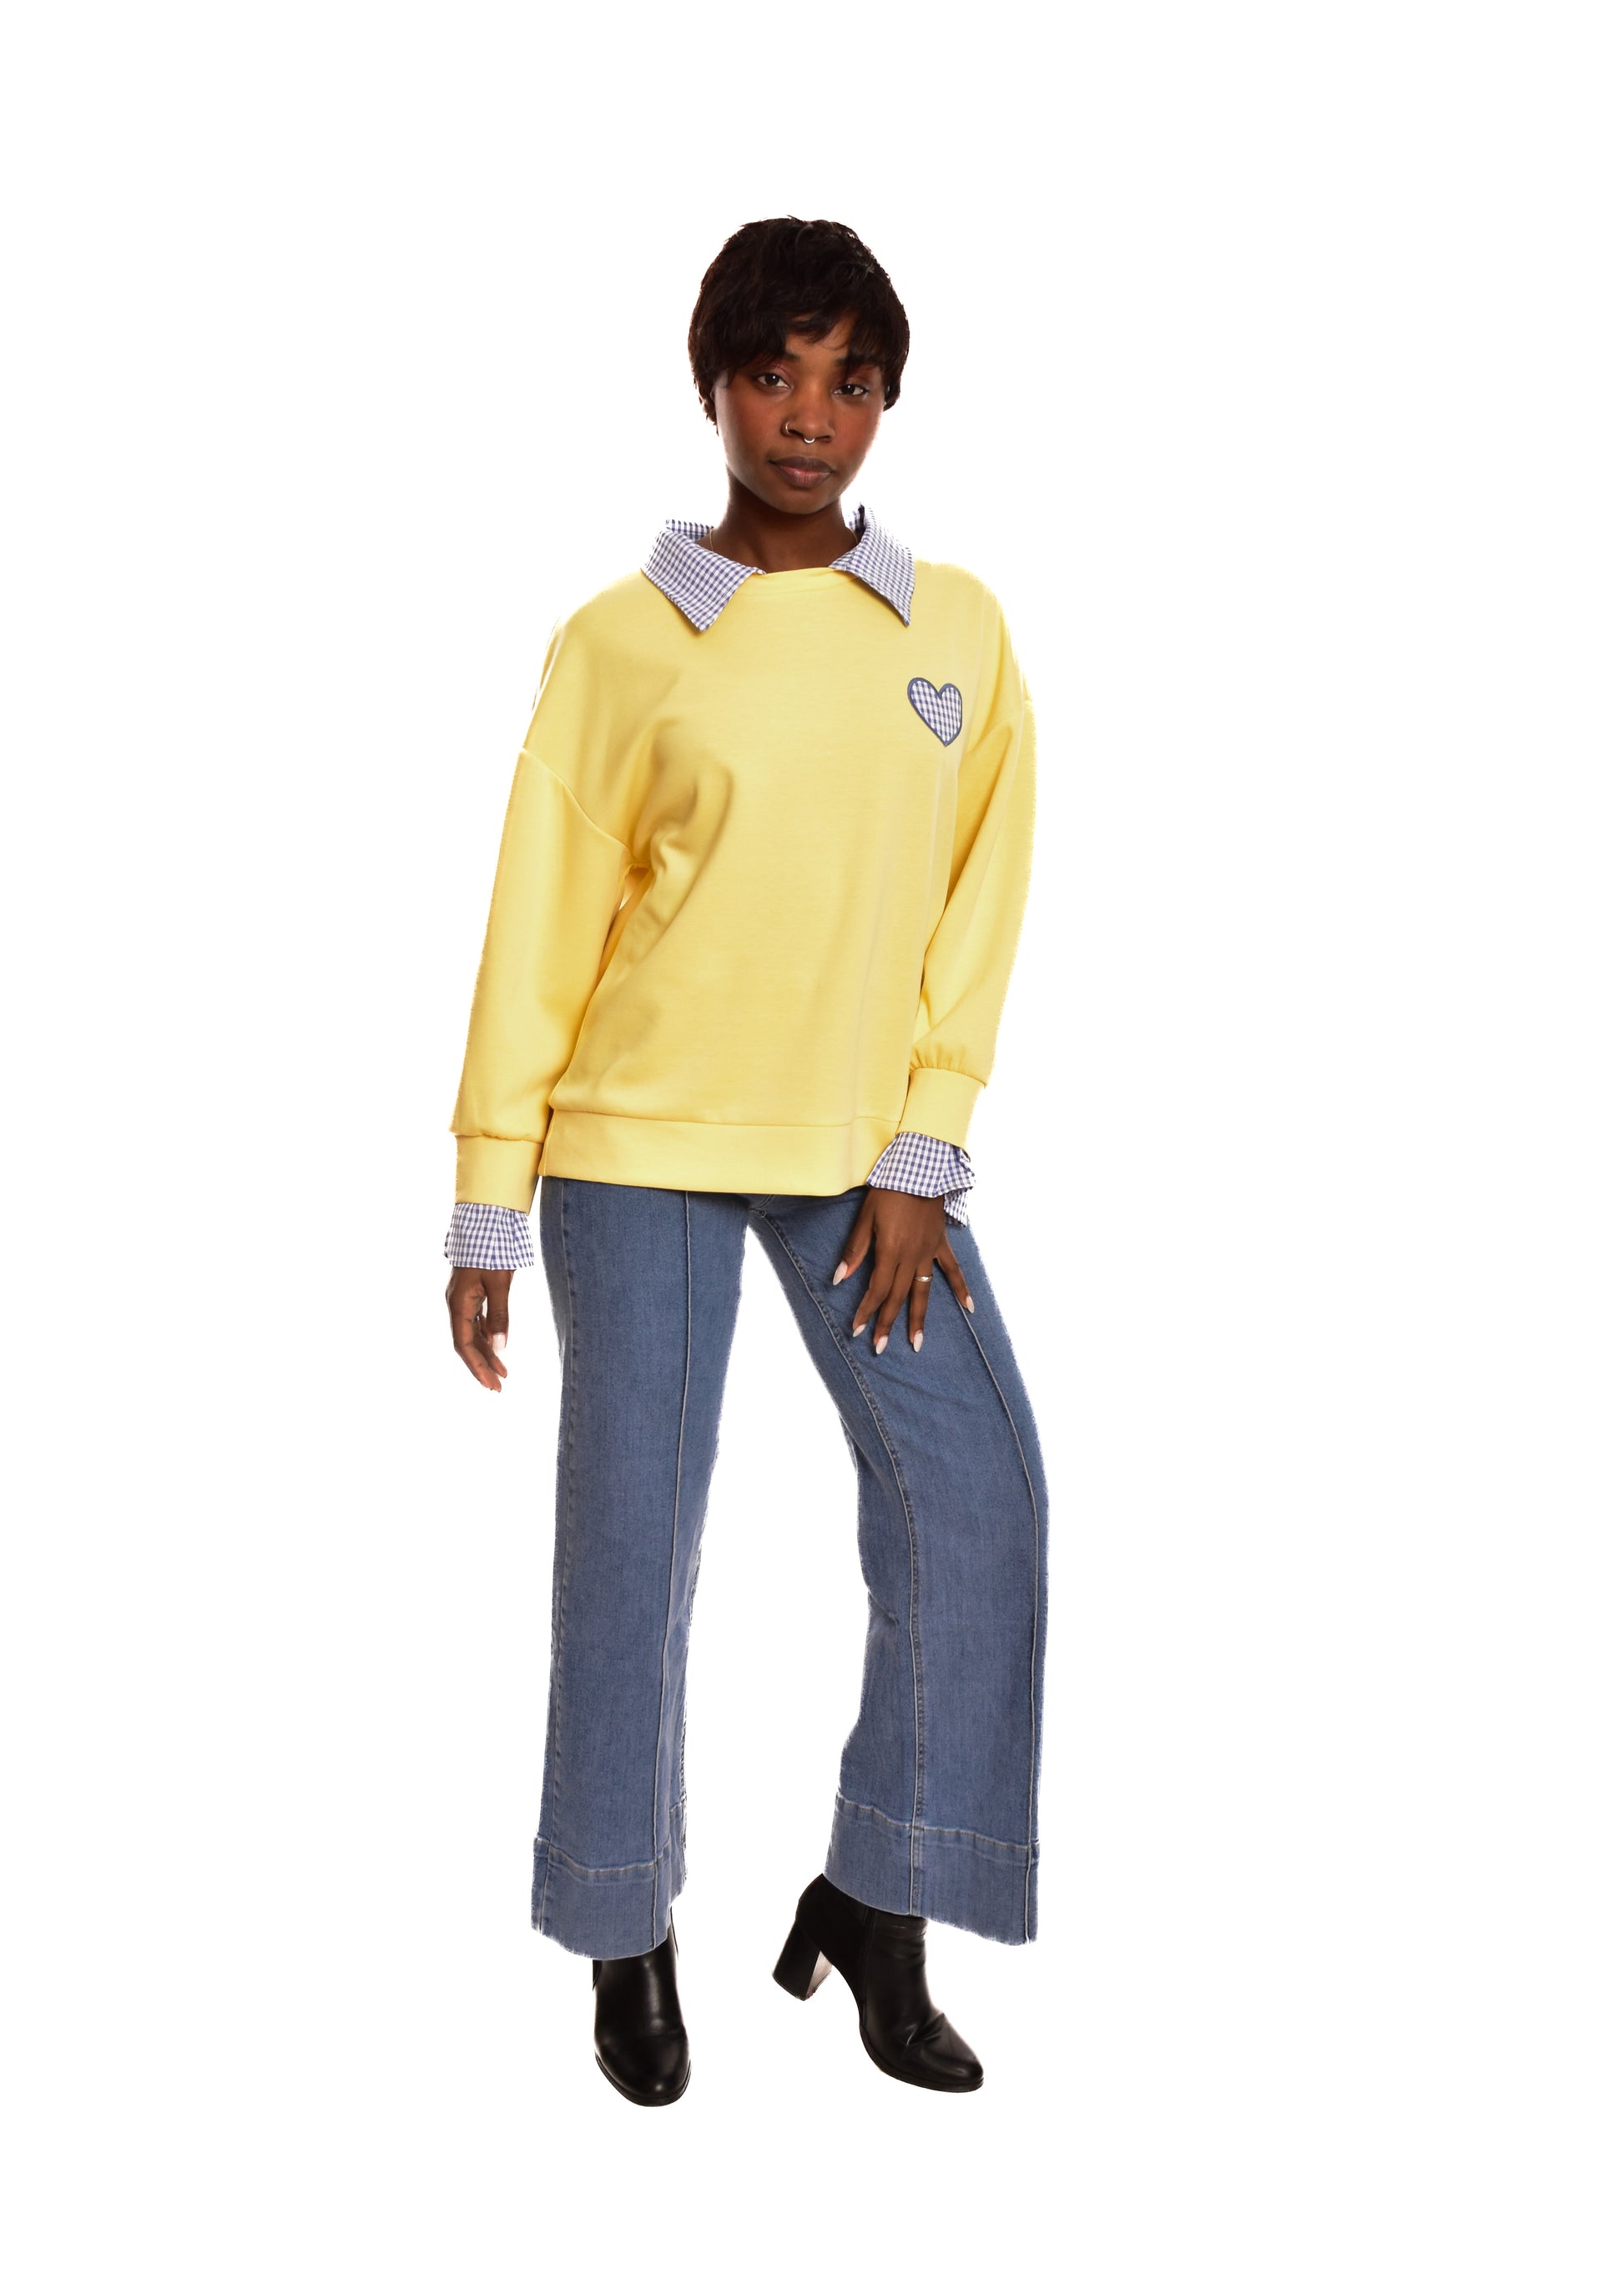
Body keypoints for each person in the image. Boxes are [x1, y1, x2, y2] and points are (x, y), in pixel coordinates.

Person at [444, 217, 1047, 2105]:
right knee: (630, 1547)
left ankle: (881, 1896)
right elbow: (541, 923)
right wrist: (488, 1194)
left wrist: (923, 1149)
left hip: (864, 1162)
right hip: (634, 1151)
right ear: (713, 384)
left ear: (885, 402)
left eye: (849, 382)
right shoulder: (619, 641)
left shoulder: (953, 630)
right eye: (774, 374)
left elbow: (979, 902)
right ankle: (622, 1928)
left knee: (978, 1504)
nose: (809, 416)